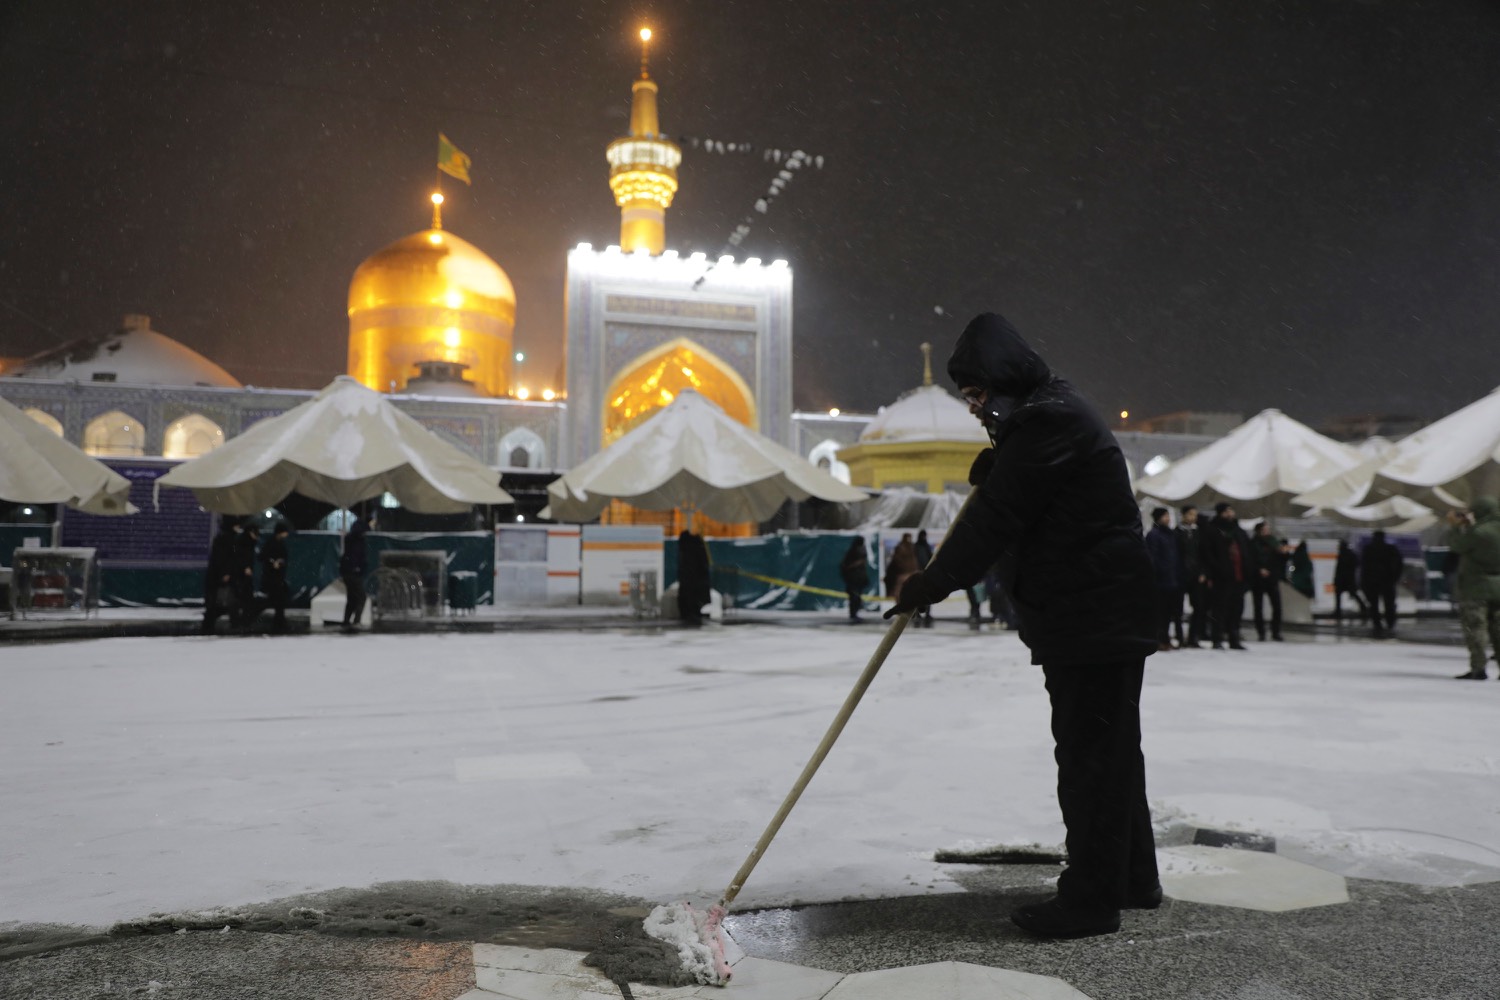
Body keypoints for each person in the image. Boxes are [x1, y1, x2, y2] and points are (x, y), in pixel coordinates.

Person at [884, 312, 1159, 939]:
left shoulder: (1047, 420)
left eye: (978, 395)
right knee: (1110, 754)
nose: (976, 408)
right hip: (1096, 610)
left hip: (1092, 613)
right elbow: (1028, 498)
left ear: (1001, 380)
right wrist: (1003, 461)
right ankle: (1130, 879)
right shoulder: (1048, 414)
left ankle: (1090, 900)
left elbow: (997, 519)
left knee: (1091, 758)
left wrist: (931, 582)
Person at [1446, 498, 1500, 679]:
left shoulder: (1478, 532)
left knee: (1476, 629)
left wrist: (1455, 526)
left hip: (1476, 588)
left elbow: (1457, 545)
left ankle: (1478, 668)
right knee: (1498, 630)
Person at [1201, 502, 1250, 650]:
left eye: (1231, 510)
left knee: (1236, 610)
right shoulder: (1213, 530)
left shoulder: (1238, 531)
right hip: (1221, 578)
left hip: (1238, 577)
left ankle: (1234, 638)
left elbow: (1247, 552)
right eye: (1226, 511)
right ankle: (1217, 638)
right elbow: (1208, 554)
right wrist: (1215, 571)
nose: (1230, 514)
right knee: (1220, 609)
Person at [1144, 507, 1181, 652]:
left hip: (1171, 580)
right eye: (1165, 516)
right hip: (1161, 581)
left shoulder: (1170, 535)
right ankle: (1158, 639)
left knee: (1168, 613)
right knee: (1160, 613)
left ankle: (1165, 638)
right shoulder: (1154, 535)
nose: (1168, 519)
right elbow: (1152, 557)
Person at [1360, 529, 1404, 637]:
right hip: (1387, 581)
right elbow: (1399, 564)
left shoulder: (1368, 549)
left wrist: (1363, 582)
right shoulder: (1390, 549)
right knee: (1389, 604)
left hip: (1373, 582)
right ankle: (1390, 622)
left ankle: (1377, 624)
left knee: (1374, 605)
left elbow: (1364, 567)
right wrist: (1394, 578)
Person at [1248, 522, 1286, 642]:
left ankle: (1276, 631)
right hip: (1258, 579)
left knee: (1277, 606)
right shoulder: (1253, 543)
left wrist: (1283, 552)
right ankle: (1261, 632)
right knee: (1258, 606)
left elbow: (1280, 559)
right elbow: (1251, 559)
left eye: (1267, 529)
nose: (1267, 531)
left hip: (1272, 577)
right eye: (1264, 529)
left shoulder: (1274, 542)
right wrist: (1259, 568)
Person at [202, 517, 241, 634]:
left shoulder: (224, 537)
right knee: (225, 602)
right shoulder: (227, 538)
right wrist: (225, 572)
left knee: (221, 603)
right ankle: (232, 626)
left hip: (219, 576)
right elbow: (224, 558)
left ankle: (209, 626)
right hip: (222, 576)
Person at [1175, 505, 1206, 648]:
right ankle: (1180, 637)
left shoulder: (1198, 533)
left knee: (1198, 606)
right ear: (1184, 515)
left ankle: (1193, 637)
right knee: (1178, 609)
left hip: (1195, 575)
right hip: (1181, 575)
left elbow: (1203, 554)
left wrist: (1202, 572)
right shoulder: (1176, 533)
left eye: (1195, 515)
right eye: (1190, 514)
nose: (1193, 517)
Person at [340, 511, 375, 631]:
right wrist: (358, 568)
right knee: (361, 597)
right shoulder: (359, 540)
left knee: (352, 598)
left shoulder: (352, 538)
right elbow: (356, 556)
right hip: (353, 572)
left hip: (347, 572)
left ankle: (346, 621)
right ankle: (356, 621)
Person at [259, 522, 291, 632]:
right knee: (277, 600)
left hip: (276, 577)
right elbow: (263, 557)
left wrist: (278, 562)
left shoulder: (278, 543)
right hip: (273, 577)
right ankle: (279, 622)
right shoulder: (272, 544)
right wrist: (273, 562)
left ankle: (279, 622)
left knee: (277, 601)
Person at [676, 529, 711, 625]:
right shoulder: (698, 547)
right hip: (696, 584)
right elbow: (704, 566)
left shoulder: (685, 550)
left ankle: (691, 614)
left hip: (689, 581)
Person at [231, 521, 260, 631]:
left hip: (242, 574)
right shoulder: (245, 543)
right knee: (243, 598)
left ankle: (241, 621)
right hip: (242, 575)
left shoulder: (244, 541)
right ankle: (242, 621)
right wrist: (245, 567)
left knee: (242, 599)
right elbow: (241, 557)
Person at [1333, 539, 1366, 623]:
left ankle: (1338, 611)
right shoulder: (1351, 554)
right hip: (1348, 579)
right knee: (1352, 593)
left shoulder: (1343, 554)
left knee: (1340, 595)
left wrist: (1336, 578)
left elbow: (1339, 568)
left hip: (1344, 579)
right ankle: (1363, 607)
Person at [884, 533, 918, 614]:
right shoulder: (904, 548)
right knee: (901, 593)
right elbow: (898, 560)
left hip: (908, 573)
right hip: (904, 574)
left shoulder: (910, 548)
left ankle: (906, 609)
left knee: (907, 592)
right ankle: (902, 609)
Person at [839, 535, 870, 622]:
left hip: (858, 580)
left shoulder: (859, 553)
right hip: (853, 580)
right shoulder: (852, 553)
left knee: (857, 598)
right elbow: (845, 566)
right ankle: (853, 614)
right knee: (854, 598)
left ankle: (854, 613)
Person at [912, 529, 935, 627]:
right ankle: (917, 613)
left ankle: (927, 614)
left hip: (926, 574)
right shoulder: (916, 547)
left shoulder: (926, 546)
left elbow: (931, 558)